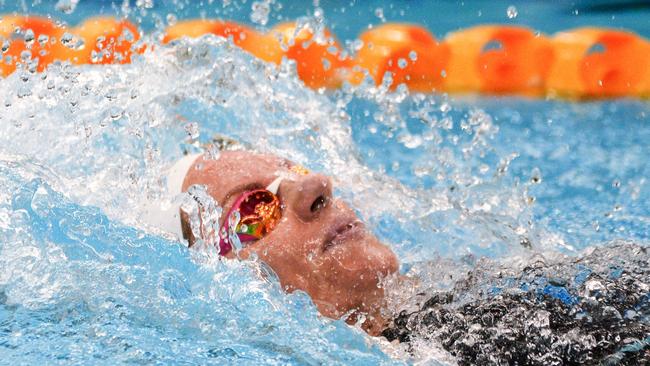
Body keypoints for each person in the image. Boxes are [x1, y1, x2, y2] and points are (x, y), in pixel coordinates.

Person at [161, 147, 649, 364]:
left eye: (297, 169)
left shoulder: (460, 295)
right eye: (253, 209)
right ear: (223, 283)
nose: (316, 187)